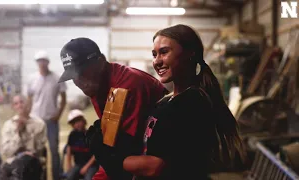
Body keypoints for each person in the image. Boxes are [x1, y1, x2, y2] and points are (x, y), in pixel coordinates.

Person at [86, 24, 247, 180]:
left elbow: (155, 167)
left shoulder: (192, 103)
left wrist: (108, 156)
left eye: (164, 52)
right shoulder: (167, 101)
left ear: (189, 53)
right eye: (154, 55)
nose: (157, 61)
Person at [58, 38, 168, 180]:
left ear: (101, 61)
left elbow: (125, 156)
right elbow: (112, 152)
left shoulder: (124, 87)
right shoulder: (98, 87)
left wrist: (105, 155)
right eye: (73, 77)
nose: (80, 82)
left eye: (82, 72)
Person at [27, 50, 67, 180]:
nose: (42, 63)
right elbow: (29, 99)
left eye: (44, 61)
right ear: (37, 63)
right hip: (35, 120)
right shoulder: (32, 78)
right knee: (36, 150)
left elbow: (63, 98)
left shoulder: (57, 78)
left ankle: (57, 176)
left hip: (51, 120)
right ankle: (38, 176)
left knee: (54, 151)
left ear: (48, 62)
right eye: (39, 61)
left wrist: (58, 115)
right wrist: (27, 116)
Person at [0, 95, 47, 180]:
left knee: (25, 164)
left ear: (28, 104)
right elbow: (6, 151)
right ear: (13, 107)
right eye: (16, 103)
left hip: (33, 161)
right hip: (12, 160)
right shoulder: (8, 125)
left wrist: (27, 129)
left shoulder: (39, 124)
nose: (20, 105)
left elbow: (39, 149)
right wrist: (18, 133)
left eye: (22, 102)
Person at [65, 109, 99, 180]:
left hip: (91, 165)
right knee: (69, 177)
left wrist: (86, 167)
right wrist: (69, 165)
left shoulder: (91, 135)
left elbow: (96, 155)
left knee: (88, 178)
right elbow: (69, 149)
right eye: (74, 123)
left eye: (78, 121)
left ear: (84, 121)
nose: (77, 124)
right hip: (78, 164)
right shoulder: (72, 135)